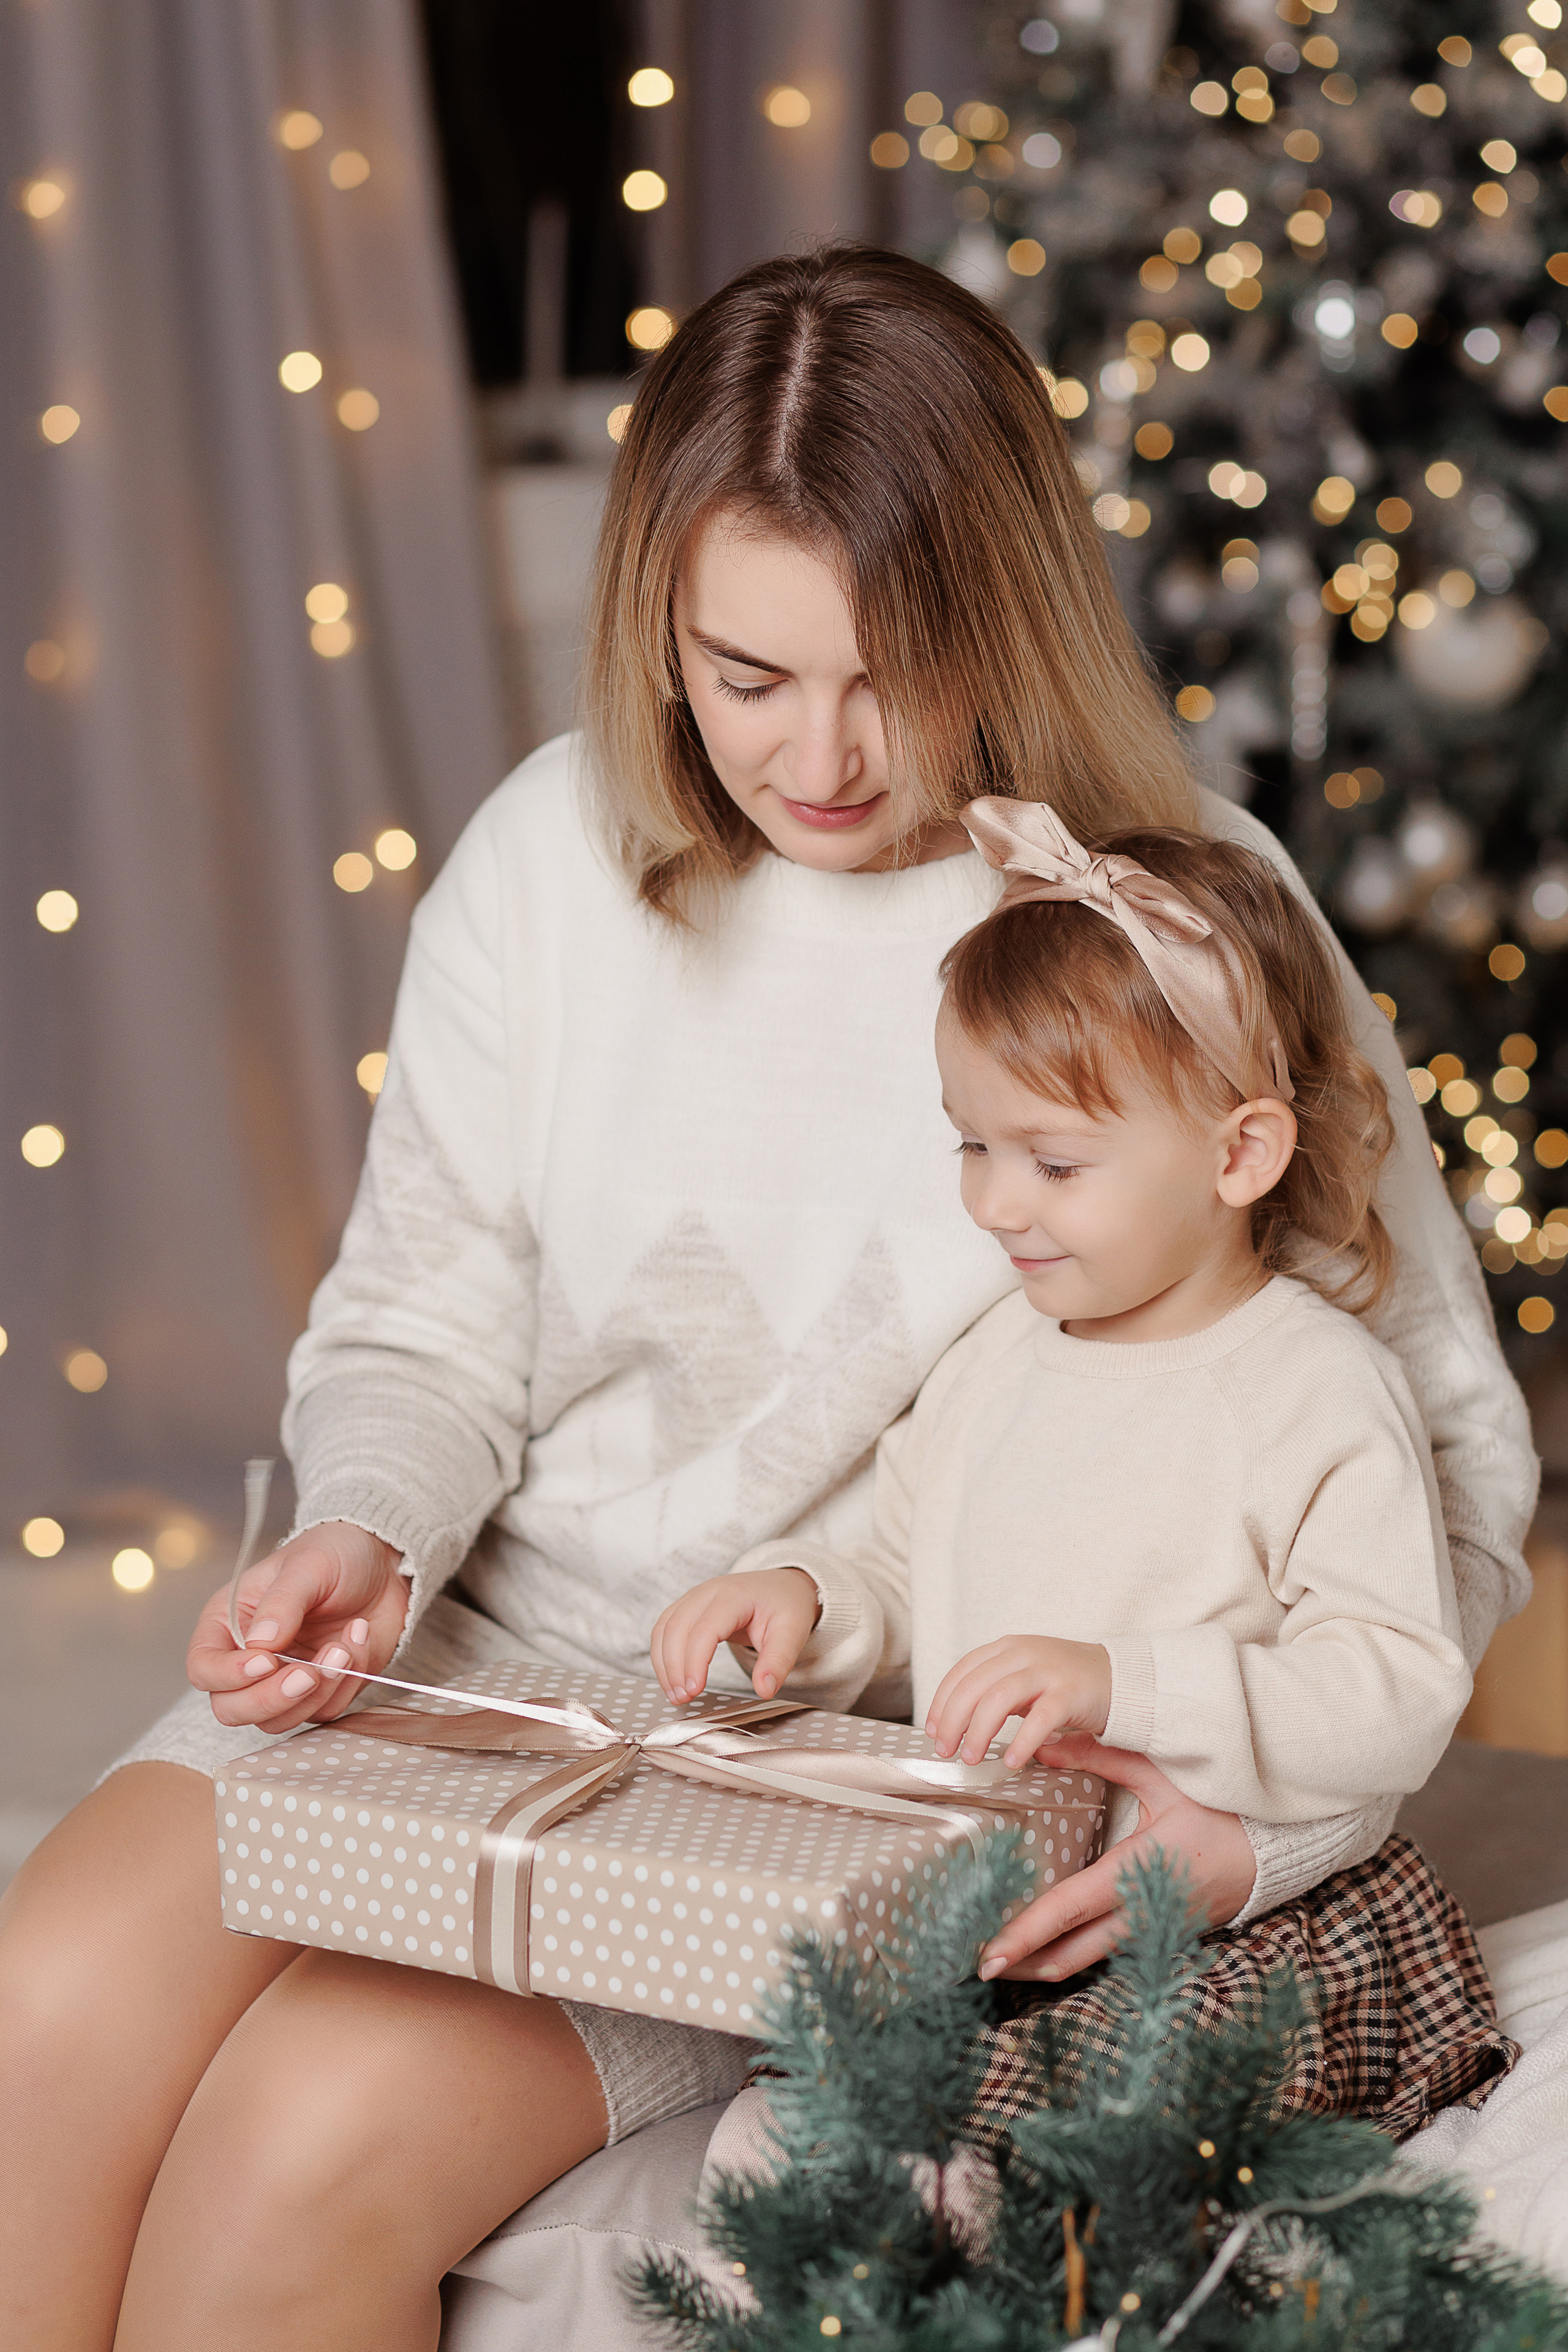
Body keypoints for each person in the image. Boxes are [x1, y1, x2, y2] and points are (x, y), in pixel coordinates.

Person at [0, 246, 1534, 2352]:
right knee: (36, 2016)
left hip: (803, 1781)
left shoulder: (1169, 923)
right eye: (746, 676)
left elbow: (1430, 1481)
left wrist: (1254, 1836)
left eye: (889, 670)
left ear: (999, 613)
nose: (819, 755)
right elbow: (422, 1323)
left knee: (294, 2160)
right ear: (660, 628)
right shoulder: (550, 860)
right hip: (472, 1665)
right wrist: (364, 1526)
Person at [650, 803, 1517, 2138]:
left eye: (1051, 1162)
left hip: (1245, 1923)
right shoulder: (999, 1357)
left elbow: (1396, 1689)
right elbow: (908, 1567)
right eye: (972, 1146)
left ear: (1239, 1154)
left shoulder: (1311, 1389)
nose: (995, 1204)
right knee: (794, 2134)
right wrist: (808, 1603)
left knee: (1041, 2151)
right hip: (1019, 1911)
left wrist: (1123, 1679)